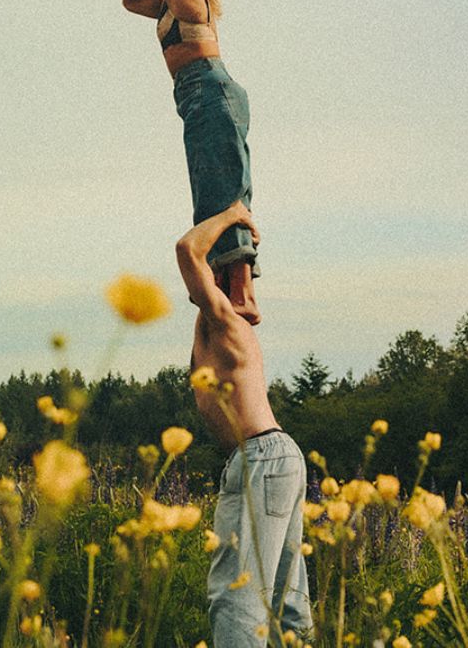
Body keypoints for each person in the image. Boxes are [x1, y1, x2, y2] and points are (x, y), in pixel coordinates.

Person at [100, 0, 259, 319]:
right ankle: (226, 284)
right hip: (194, 96)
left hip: (211, 89)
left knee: (224, 194)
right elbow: (130, 0)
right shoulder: (163, 2)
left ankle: (242, 294)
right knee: (210, 194)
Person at [176, 204, 311, 647]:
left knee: (238, 597)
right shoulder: (215, 326)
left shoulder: (225, 322)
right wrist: (238, 265)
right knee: (287, 601)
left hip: (262, 458)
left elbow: (186, 249)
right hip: (271, 457)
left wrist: (231, 214)